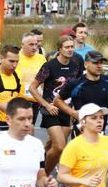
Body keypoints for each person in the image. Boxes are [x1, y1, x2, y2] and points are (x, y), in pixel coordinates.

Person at [28, 36, 84, 176]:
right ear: (59, 49)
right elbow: (33, 88)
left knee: (53, 146)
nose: (70, 49)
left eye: (72, 47)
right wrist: (47, 105)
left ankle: (39, 165)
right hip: (51, 110)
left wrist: (74, 110)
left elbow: (77, 88)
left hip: (66, 110)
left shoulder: (75, 65)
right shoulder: (49, 66)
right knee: (59, 146)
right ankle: (43, 176)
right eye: (67, 47)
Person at [53, 50, 108, 130]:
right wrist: (73, 113)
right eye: (95, 63)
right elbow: (57, 101)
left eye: (101, 63)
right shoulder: (76, 83)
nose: (99, 66)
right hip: (81, 131)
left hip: (100, 130)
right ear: (86, 64)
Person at [17, 32, 47, 124]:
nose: (34, 47)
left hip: (35, 100)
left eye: (36, 44)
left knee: (29, 130)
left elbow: (45, 79)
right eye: (31, 44)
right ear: (22, 45)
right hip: (19, 101)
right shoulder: (16, 57)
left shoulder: (41, 58)